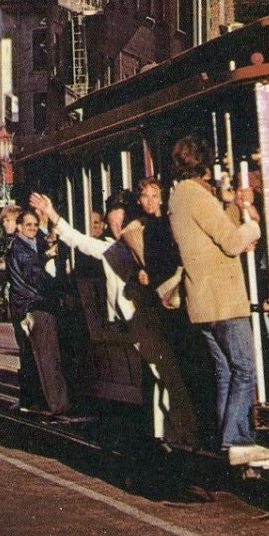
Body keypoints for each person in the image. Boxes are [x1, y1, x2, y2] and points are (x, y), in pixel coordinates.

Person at [33, 189, 197, 445]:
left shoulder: (143, 241)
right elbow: (80, 241)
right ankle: (173, 432)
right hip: (137, 321)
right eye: (113, 224)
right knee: (163, 373)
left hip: (148, 318)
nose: (119, 228)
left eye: (121, 222)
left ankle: (175, 431)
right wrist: (53, 215)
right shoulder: (114, 249)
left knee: (165, 374)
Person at [166, 135, 269, 466]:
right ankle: (236, 440)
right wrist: (254, 226)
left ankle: (232, 439)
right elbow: (231, 242)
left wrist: (231, 205)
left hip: (201, 302)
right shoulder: (196, 197)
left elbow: (212, 236)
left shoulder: (179, 197)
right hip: (223, 298)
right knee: (245, 368)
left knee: (226, 372)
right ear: (202, 165)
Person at [6, 210, 70, 418]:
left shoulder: (29, 244)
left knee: (31, 358)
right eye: (28, 225)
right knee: (46, 357)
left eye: (35, 225)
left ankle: (33, 401)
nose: (32, 229)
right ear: (19, 227)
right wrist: (62, 287)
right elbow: (35, 275)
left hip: (26, 306)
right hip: (33, 306)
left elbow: (40, 250)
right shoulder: (20, 249)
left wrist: (48, 243)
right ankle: (57, 404)